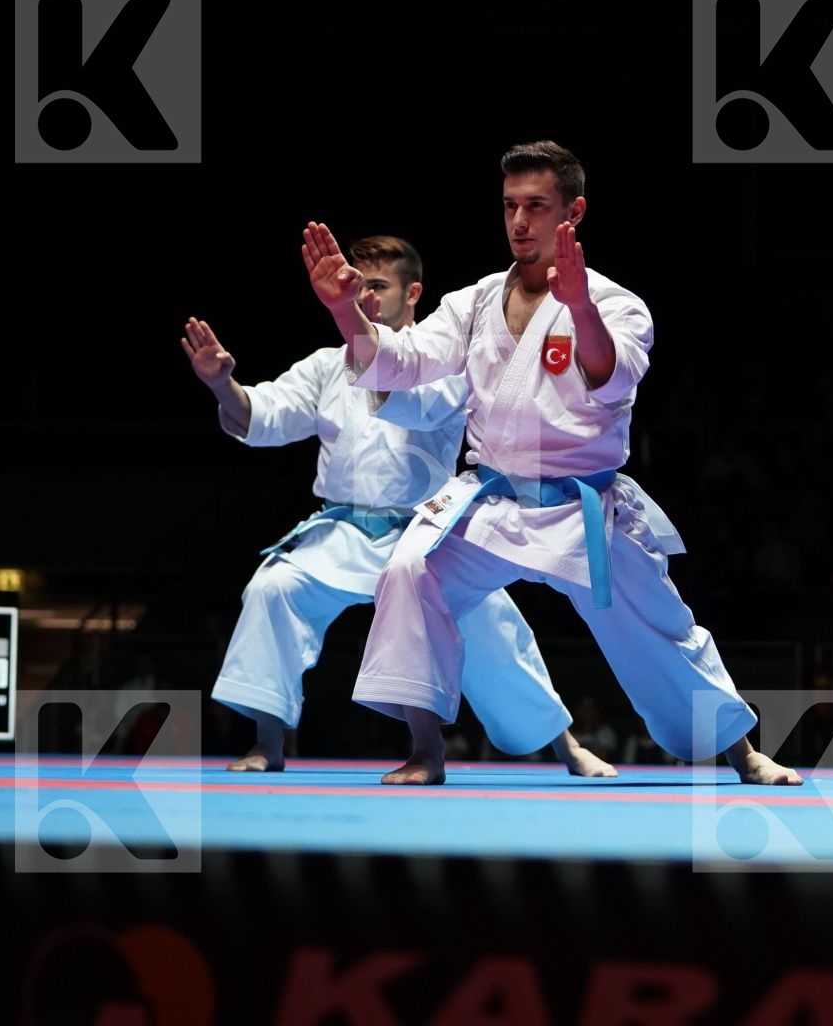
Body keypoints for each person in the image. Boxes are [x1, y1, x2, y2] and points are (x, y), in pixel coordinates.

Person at [299, 141, 802, 787]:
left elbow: (611, 377)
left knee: (660, 632)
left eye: (536, 205)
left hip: (582, 508)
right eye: (510, 205)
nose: (519, 220)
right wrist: (344, 311)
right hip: (493, 499)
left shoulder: (615, 304)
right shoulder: (475, 301)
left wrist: (580, 305)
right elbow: (402, 362)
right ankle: (426, 751)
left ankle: (742, 752)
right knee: (409, 571)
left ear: (574, 211)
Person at [182, 234, 615, 777]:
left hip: (423, 533)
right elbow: (264, 414)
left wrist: (373, 358)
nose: (363, 297)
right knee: (274, 588)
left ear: (412, 293)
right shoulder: (326, 366)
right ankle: (267, 742)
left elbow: (412, 405)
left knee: (493, 625)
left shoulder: (442, 361)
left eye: (377, 287)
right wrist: (222, 385)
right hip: (340, 531)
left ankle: (564, 745)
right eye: (354, 286)